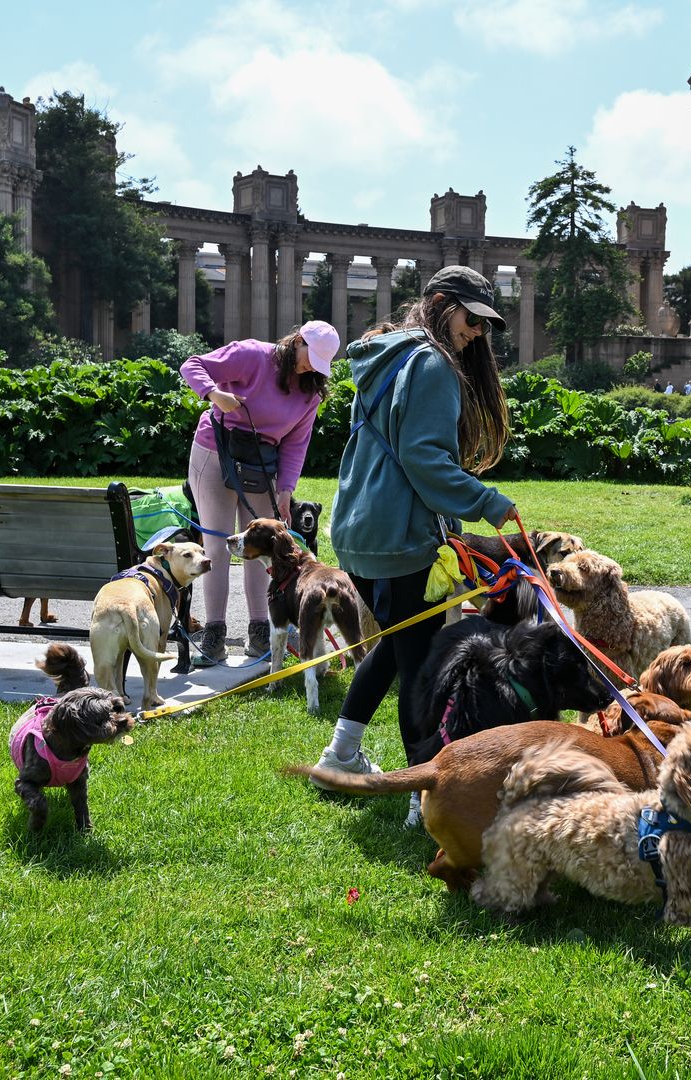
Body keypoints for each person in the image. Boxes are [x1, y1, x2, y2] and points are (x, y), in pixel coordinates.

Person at [312, 265, 514, 824]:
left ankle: (342, 755)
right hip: (398, 533)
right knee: (422, 664)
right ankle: (421, 791)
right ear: (444, 304)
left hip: (359, 528)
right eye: (472, 319)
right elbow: (427, 460)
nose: (478, 332)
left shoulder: (388, 353)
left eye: (486, 325)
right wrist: (489, 503)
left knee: (402, 643)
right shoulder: (432, 365)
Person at [179, 320, 340, 665]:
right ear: (298, 340)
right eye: (310, 357)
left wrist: (286, 491)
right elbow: (192, 365)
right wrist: (214, 393)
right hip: (215, 452)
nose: (311, 368)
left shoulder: (309, 393)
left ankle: (260, 632)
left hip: (261, 467)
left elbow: (296, 445)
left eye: (320, 365)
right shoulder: (252, 355)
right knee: (217, 546)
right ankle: (215, 634)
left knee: (261, 549)